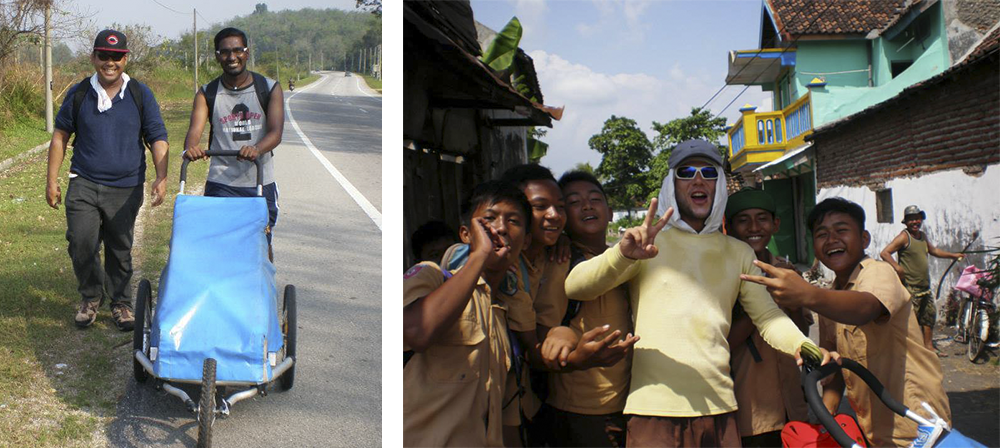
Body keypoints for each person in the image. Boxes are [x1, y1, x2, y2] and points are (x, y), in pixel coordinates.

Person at [566, 139, 833, 448]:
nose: (698, 180)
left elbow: (767, 316)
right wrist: (622, 255)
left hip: (719, 410)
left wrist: (803, 346)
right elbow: (576, 287)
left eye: (708, 172)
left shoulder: (738, 252)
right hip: (653, 410)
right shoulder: (646, 245)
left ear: (718, 184)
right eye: (686, 172)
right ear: (672, 183)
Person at [742, 197, 951, 447]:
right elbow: (836, 365)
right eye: (822, 234)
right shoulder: (831, 296)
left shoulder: (877, 271)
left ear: (864, 239)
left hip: (917, 426)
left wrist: (807, 294)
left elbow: (866, 307)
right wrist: (826, 417)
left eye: (841, 230)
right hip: (873, 430)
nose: (832, 240)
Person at [45, 29, 169, 330]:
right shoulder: (79, 93)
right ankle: (90, 297)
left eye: (116, 56)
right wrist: (51, 180)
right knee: (81, 241)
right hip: (84, 182)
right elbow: (60, 136)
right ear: (93, 57)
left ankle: (121, 303)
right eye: (104, 55)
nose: (109, 62)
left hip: (126, 186)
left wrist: (161, 176)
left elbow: (157, 137)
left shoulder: (140, 94)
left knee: (119, 247)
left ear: (125, 59)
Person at [402, 180, 529, 448]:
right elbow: (415, 331)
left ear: (526, 241)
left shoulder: (503, 319)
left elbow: (507, 424)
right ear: (466, 234)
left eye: (514, 221)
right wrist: (479, 257)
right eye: (489, 219)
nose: (501, 228)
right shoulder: (431, 277)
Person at [536, 169, 635, 448]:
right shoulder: (562, 261)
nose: (587, 206)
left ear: (611, 212)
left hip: (624, 403)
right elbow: (545, 334)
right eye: (574, 202)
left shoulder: (622, 258)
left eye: (594, 199)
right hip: (583, 410)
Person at [182, 27, 284, 261]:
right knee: (220, 244)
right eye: (225, 52)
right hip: (221, 182)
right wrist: (192, 147)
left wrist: (256, 149)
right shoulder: (207, 93)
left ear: (247, 52)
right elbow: (194, 131)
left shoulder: (269, 88)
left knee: (261, 242)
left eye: (238, 50)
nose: (232, 57)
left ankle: (263, 282)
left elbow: (276, 132)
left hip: (259, 182)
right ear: (217, 56)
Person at [724, 188, 810, 448]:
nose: (754, 227)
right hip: (750, 409)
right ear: (729, 228)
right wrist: (761, 300)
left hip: (792, 403)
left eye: (762, 218)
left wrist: (794, 300)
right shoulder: (722, 276)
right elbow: (722, 344)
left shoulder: (787, 271)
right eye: (743, 220)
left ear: (775, 224)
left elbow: (802, 331)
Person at [879, 205, 963, 356]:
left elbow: (934, 251)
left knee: (928, 317)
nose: (915, 222)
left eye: (917, 218)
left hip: (924, 286)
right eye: (911, 219)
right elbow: (885, 253)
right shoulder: (904, 237)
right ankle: (908, 351)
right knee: (910, 321)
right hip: (910, 287)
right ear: (906, 222)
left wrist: (953, 255)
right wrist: (897, 267)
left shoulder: (922, 236)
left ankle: (928, 347)